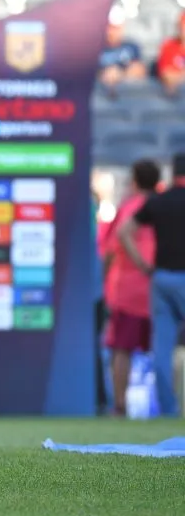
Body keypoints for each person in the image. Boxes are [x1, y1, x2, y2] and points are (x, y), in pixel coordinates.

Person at [118, 153, 185, 417]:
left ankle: (168, 410)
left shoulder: (159, 202)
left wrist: (143, 265)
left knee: (162, 349)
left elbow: (124, 231)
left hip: (162, 278)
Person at [102, 159, 160, 416]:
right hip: (159, 286)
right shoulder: (164, 205)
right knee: (166, 348)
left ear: (134, 181)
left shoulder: (128, 208)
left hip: (127, 290)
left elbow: (111, 249)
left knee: (121, 350)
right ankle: (170, 406)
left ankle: (120, 406)